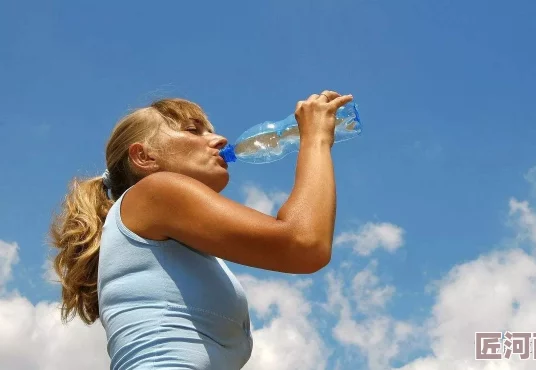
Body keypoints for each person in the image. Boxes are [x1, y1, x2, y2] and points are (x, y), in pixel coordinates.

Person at [48, 91, 353, 369]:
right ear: (144, 157)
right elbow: (303, 243)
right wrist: (315, 140)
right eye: (193, 130)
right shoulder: (156, 192)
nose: (220, 139)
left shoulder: (181, 244)